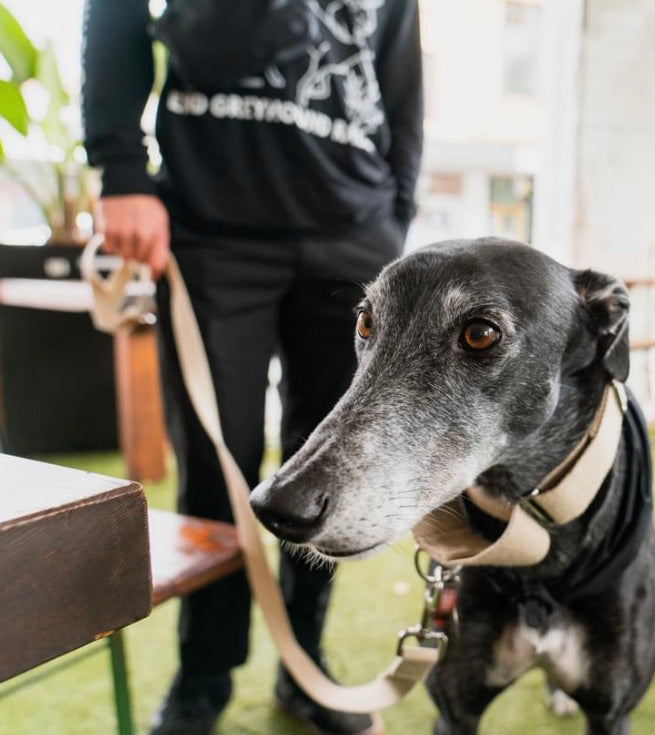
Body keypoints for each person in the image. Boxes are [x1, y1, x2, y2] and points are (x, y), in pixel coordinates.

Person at [81, 1, 423, 733]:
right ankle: (204, 671)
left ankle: (303, 662)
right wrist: (120, 170)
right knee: (214, 463)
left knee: (335, 464)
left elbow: (400, 75)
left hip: (355, 231)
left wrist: (396, 215)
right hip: (210, 228)